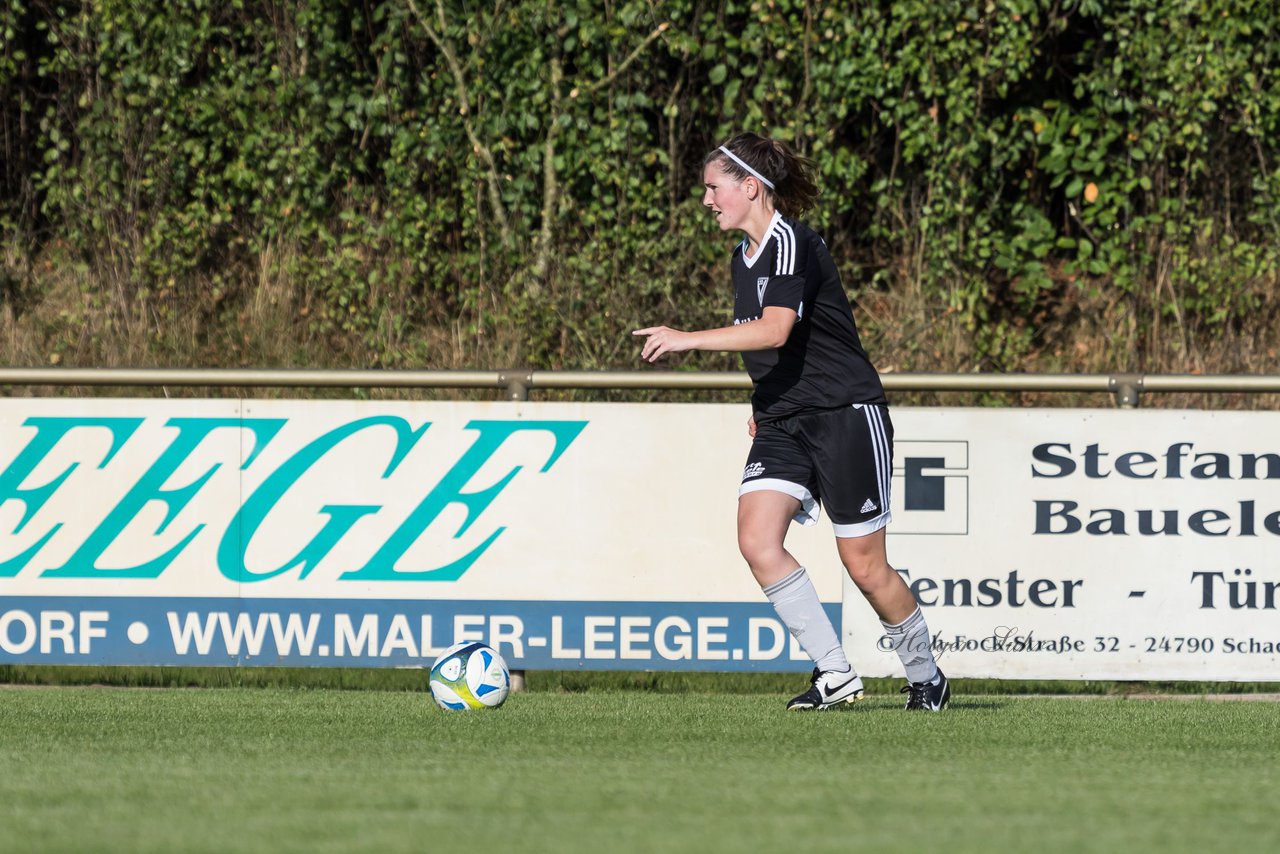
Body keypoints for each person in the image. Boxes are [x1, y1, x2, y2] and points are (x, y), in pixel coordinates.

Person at [633, 132, 949, 712]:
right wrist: (761, 405)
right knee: (756, 540)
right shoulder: (743, 257)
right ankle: (836, 674)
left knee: (865, 566)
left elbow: (775, 329)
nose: (707, 201)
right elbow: (769, 350)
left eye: (713, 188)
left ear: (749, 186)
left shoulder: (790, 242)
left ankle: (926, 676)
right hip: (783, 419)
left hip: (845, 414)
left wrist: (685, 339)